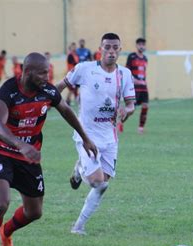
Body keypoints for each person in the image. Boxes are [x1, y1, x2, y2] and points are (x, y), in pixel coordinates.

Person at [0, 52, 97, 246]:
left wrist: (86, 138)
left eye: (47, 72)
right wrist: (21, 144)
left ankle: (7, 232)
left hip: (28, 157)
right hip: (1, 150)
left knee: (34, 212)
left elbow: (66, 111)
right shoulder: (8, 91)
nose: (46, 77)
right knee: (1, 203)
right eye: (42, 73)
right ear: (27, 72)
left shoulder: (47, 91)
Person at [57, 33, 135, 235]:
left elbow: (130, 103)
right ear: (100, 48)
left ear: (120, 50)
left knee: (103, 185)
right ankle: (81, 168)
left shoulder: (125, 74)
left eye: (115, 47)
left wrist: (127, 110)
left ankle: (78, 226)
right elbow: (61, 86)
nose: (111, 51)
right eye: (107, 47)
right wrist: (40, 98)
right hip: (86, 135)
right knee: (96, 181)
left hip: (110, 138)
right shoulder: (85, 69)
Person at [125, 37, 149, 134]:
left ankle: (141, 128)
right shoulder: (132, 56)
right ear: (136, 45)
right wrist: (135, 81)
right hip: (134, 87)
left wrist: (143, 82)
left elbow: (143, 73)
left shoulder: (145, 58)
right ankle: (120, 122)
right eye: (140, 44)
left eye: (143, 44)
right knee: (131, 109)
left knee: (145, 106)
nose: (141, 46)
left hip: (143, 87)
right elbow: (127, 72)